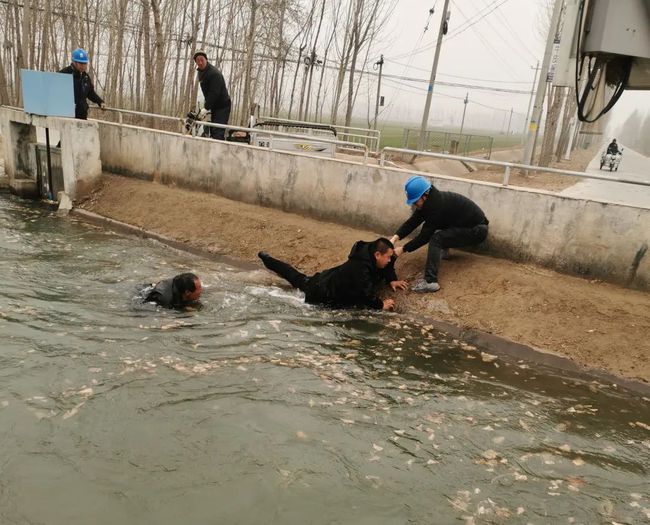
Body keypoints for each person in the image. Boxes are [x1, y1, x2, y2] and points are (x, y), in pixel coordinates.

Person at [390, 176, 489, 293]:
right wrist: (394, 238)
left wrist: (403, 249)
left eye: (415, 201)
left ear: (424, 196)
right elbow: (413, 221)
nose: (415, 205)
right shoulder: (430, 201)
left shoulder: (436, 207)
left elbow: (424, 237)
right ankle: (444, 252)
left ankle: (431, 282)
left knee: (436, 238)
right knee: (440, 229)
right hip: (465, 225)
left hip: (477, 231)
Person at [258, 238, 407, 311]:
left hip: (328, 278)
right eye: (387, 257)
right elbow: (365, 294)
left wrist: (392, 280)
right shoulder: (360, 269)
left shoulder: (370, 252)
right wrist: (381, 305)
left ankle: (267, 259)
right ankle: (267, 259)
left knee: (296, 277)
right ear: (377, 255)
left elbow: (388, 263)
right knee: (295, 277)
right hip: (321, 292)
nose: (389, 260)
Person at [193, 51, 231, 140]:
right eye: (198, 61)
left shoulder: (214, 74)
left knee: (218, 132)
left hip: (222, 106)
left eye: (202, 60)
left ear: (206, 60)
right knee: (213, 130)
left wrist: (206, 108)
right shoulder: (201, 72)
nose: (200, 63)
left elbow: (214, 93)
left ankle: (219, 152)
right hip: (215, 106)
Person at [59, 48, 105, 120]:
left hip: (82, 116)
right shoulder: (64, 74)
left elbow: (91, 93)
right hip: (67, 116)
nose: (83, 66)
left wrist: (100, 102)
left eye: (85, 63)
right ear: (74, 62)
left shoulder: (85, 77)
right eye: (81, 63)